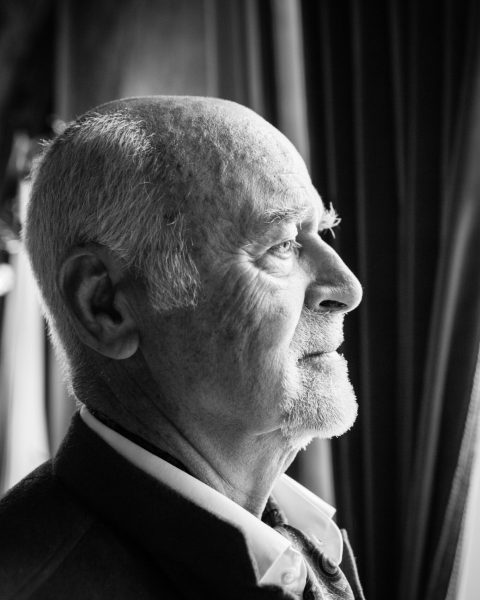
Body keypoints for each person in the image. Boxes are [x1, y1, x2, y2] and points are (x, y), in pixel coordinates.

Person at [0, 96, 364, 599]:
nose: (347, 288)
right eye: (281, 244)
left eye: (323, 232)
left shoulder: (306, 538)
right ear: (105, 306)